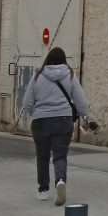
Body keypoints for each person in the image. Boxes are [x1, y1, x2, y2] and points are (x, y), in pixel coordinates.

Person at [19, 46, 98, 205]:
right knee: (60, 155)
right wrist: (87, 118)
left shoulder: (37, 76)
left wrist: (36, 112)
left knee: (42, 156)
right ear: (64, 60)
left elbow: (26, 102)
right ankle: (60, 181)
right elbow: (81, 101)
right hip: (63, 119)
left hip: (41, 121)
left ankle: (43, 190)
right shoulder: (70, 76)